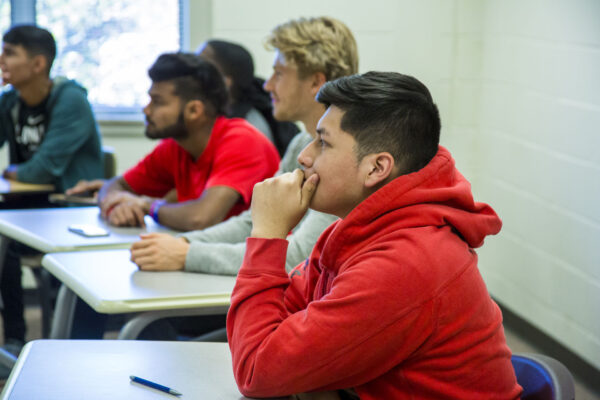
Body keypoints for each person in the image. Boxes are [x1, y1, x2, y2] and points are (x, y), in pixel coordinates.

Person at [227, 72, 523, 399]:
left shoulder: (405, 265)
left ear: (376, 168)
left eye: (323, 142)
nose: (304, 157)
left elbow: (256, 370)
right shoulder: (357, 232)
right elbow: (274, 324)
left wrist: (268, 236)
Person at [130, 16, 358, 277]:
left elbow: (299, 257)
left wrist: (187, 254)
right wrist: (185, 244)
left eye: (279, 73)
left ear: (317, 82)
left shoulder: (343, 155)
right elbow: (254, 221)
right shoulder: (300, 143)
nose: (267, 84)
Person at [0, 25, 103, 365]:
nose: (2, 59)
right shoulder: (11, 101)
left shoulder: (70, 99)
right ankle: (14, 337)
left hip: (68, 208)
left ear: (38, 63)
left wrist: (13, 171)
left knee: (5, 243)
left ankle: (35, 343)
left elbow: (43, 169)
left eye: (10, 52)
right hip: (27, 207)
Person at [96, 52, 280, 231]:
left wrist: (147, 206)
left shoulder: (242, 141)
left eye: (158, 102)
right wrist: (116, 204)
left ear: (194, 110)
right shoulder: (175, 146)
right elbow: (115, 184)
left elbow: (201, 219)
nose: (147, 110)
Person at [197, 39, 299, 156]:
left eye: (201, 65)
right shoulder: (210, 120)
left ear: (225, 81)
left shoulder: (251, 128)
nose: (193, 70)